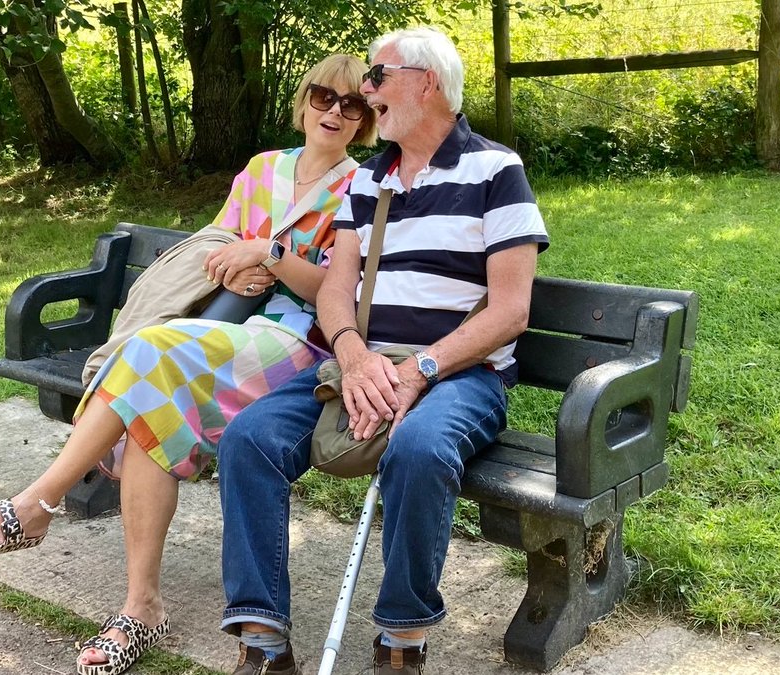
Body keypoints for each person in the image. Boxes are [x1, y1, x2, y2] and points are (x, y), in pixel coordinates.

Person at [0, 54, 377, 675]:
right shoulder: (262, 170)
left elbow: (339, 292)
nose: (335, 112)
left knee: (148, 356)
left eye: (352, 106)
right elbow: (214, 250)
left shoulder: (360, 186)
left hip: (293, 343)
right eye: (324, 98)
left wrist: (273, 257)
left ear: (363, 121)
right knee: (152, 395)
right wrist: (241, 261)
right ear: (305, 100)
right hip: (219, 325)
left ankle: (38, 504)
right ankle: (141, 606)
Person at [216, 27, 549, 675]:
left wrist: (419, 369)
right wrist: (355, 358)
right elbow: (337, 292)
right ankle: (262, 636)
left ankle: (402, 637)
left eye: (375, 77)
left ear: (425, 82)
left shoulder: (496, 170)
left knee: (420, 449)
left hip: (461, 374)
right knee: (248, 437)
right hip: (363, 363)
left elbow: (512, 311)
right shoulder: (368, 182)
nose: (364, 93)